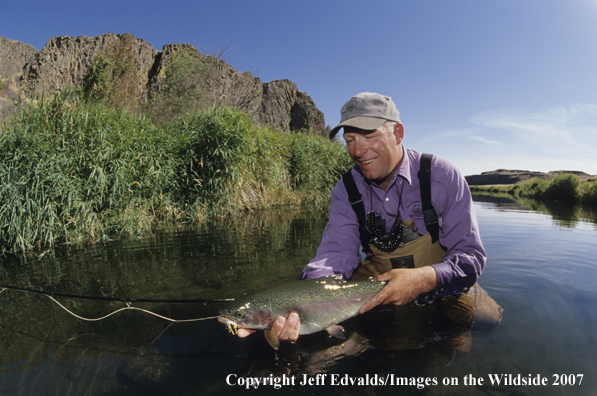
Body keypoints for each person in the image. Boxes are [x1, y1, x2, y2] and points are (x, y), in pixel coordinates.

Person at [238, 92, 497, 343]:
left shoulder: (443, 175)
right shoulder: (346, 189)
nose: (358, 150)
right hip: (376, 274)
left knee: (487, 321)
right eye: (349, 139)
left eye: (369, 136)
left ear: (398, 133)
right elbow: (335, 254)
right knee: (342, 347)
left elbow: (470, 257)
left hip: (437, 272)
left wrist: (424, 279)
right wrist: (303, 304)